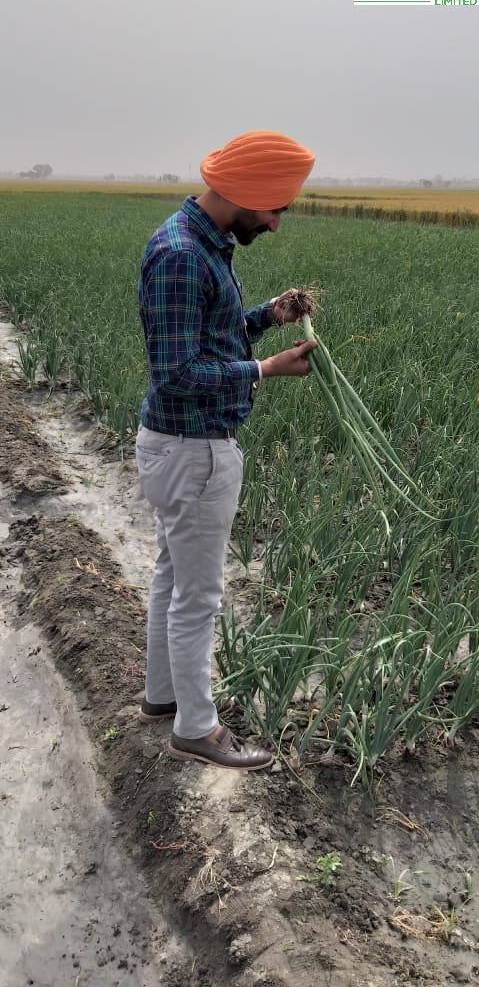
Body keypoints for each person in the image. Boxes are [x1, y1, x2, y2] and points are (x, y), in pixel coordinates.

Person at [135, 130, 316, 770]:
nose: (274, 223)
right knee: (199, 596)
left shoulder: (204, 245)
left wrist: (269, 314)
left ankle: (163, 697)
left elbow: (212, 334)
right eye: (274, 209)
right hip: (193, 452)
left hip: (182, 448)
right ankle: (198, 729)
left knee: (173, 577)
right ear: (245, 192)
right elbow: (177, 373)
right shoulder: (182, 255)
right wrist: (264, 369)